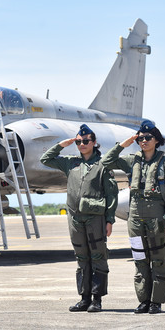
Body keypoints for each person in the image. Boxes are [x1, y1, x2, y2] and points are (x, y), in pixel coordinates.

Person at [101, 120, 165, 314]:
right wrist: (124, 144)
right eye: (141, 138)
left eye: (148, 138)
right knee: (139, 259)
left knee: (158, 260)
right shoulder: (132, 160)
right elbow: (106, 161)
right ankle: (143, 300)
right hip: (135, 217)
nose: (144, 141)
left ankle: (156, 301)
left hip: (156, 217)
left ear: (156, 140)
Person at [40, 124, 118, 313]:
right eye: (78, 141)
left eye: (86, 141)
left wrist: (110, 220)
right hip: (75, 219)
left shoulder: (103, 165)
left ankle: (97, 299)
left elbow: (111, 194)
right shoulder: (70, 163)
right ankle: (84, 298)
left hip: (96, 219)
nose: (82, 144)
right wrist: (63, 144)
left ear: (94, 143)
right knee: (81, 257)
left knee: (98, 256)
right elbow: (46, 159)